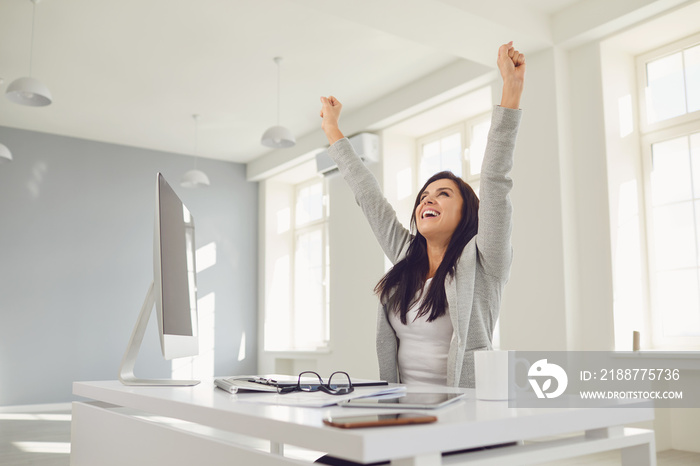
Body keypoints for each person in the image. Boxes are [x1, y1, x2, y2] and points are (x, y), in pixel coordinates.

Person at [318, 42, 525, 393]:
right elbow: (369, 198)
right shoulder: (406, 256)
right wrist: (333, 131)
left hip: (463, 420)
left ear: (467, 212)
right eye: (424, 197)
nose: (428, 201)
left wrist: (511, 89)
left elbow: (494, 180)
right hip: (404, 417)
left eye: (443, 194)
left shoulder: (485, 260)